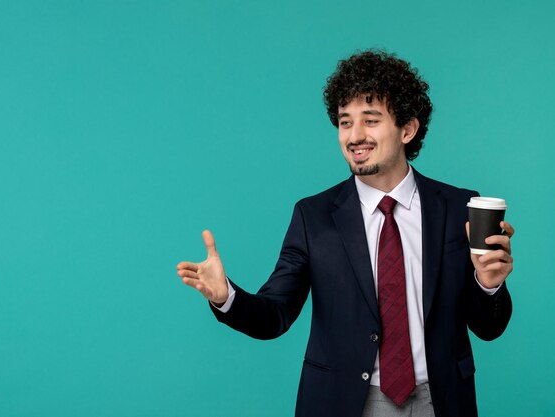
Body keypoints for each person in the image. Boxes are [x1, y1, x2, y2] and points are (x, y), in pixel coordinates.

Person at [176, 50, 514, 417]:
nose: (355, 136)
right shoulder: (314, 216)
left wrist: (489, 285)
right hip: (343, 402)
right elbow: (275, 314)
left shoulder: (460, 206)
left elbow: (489, 327)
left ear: (407, 129)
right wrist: (227, 296)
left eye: (370, 120)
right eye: (344, 122)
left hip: (443, 400)